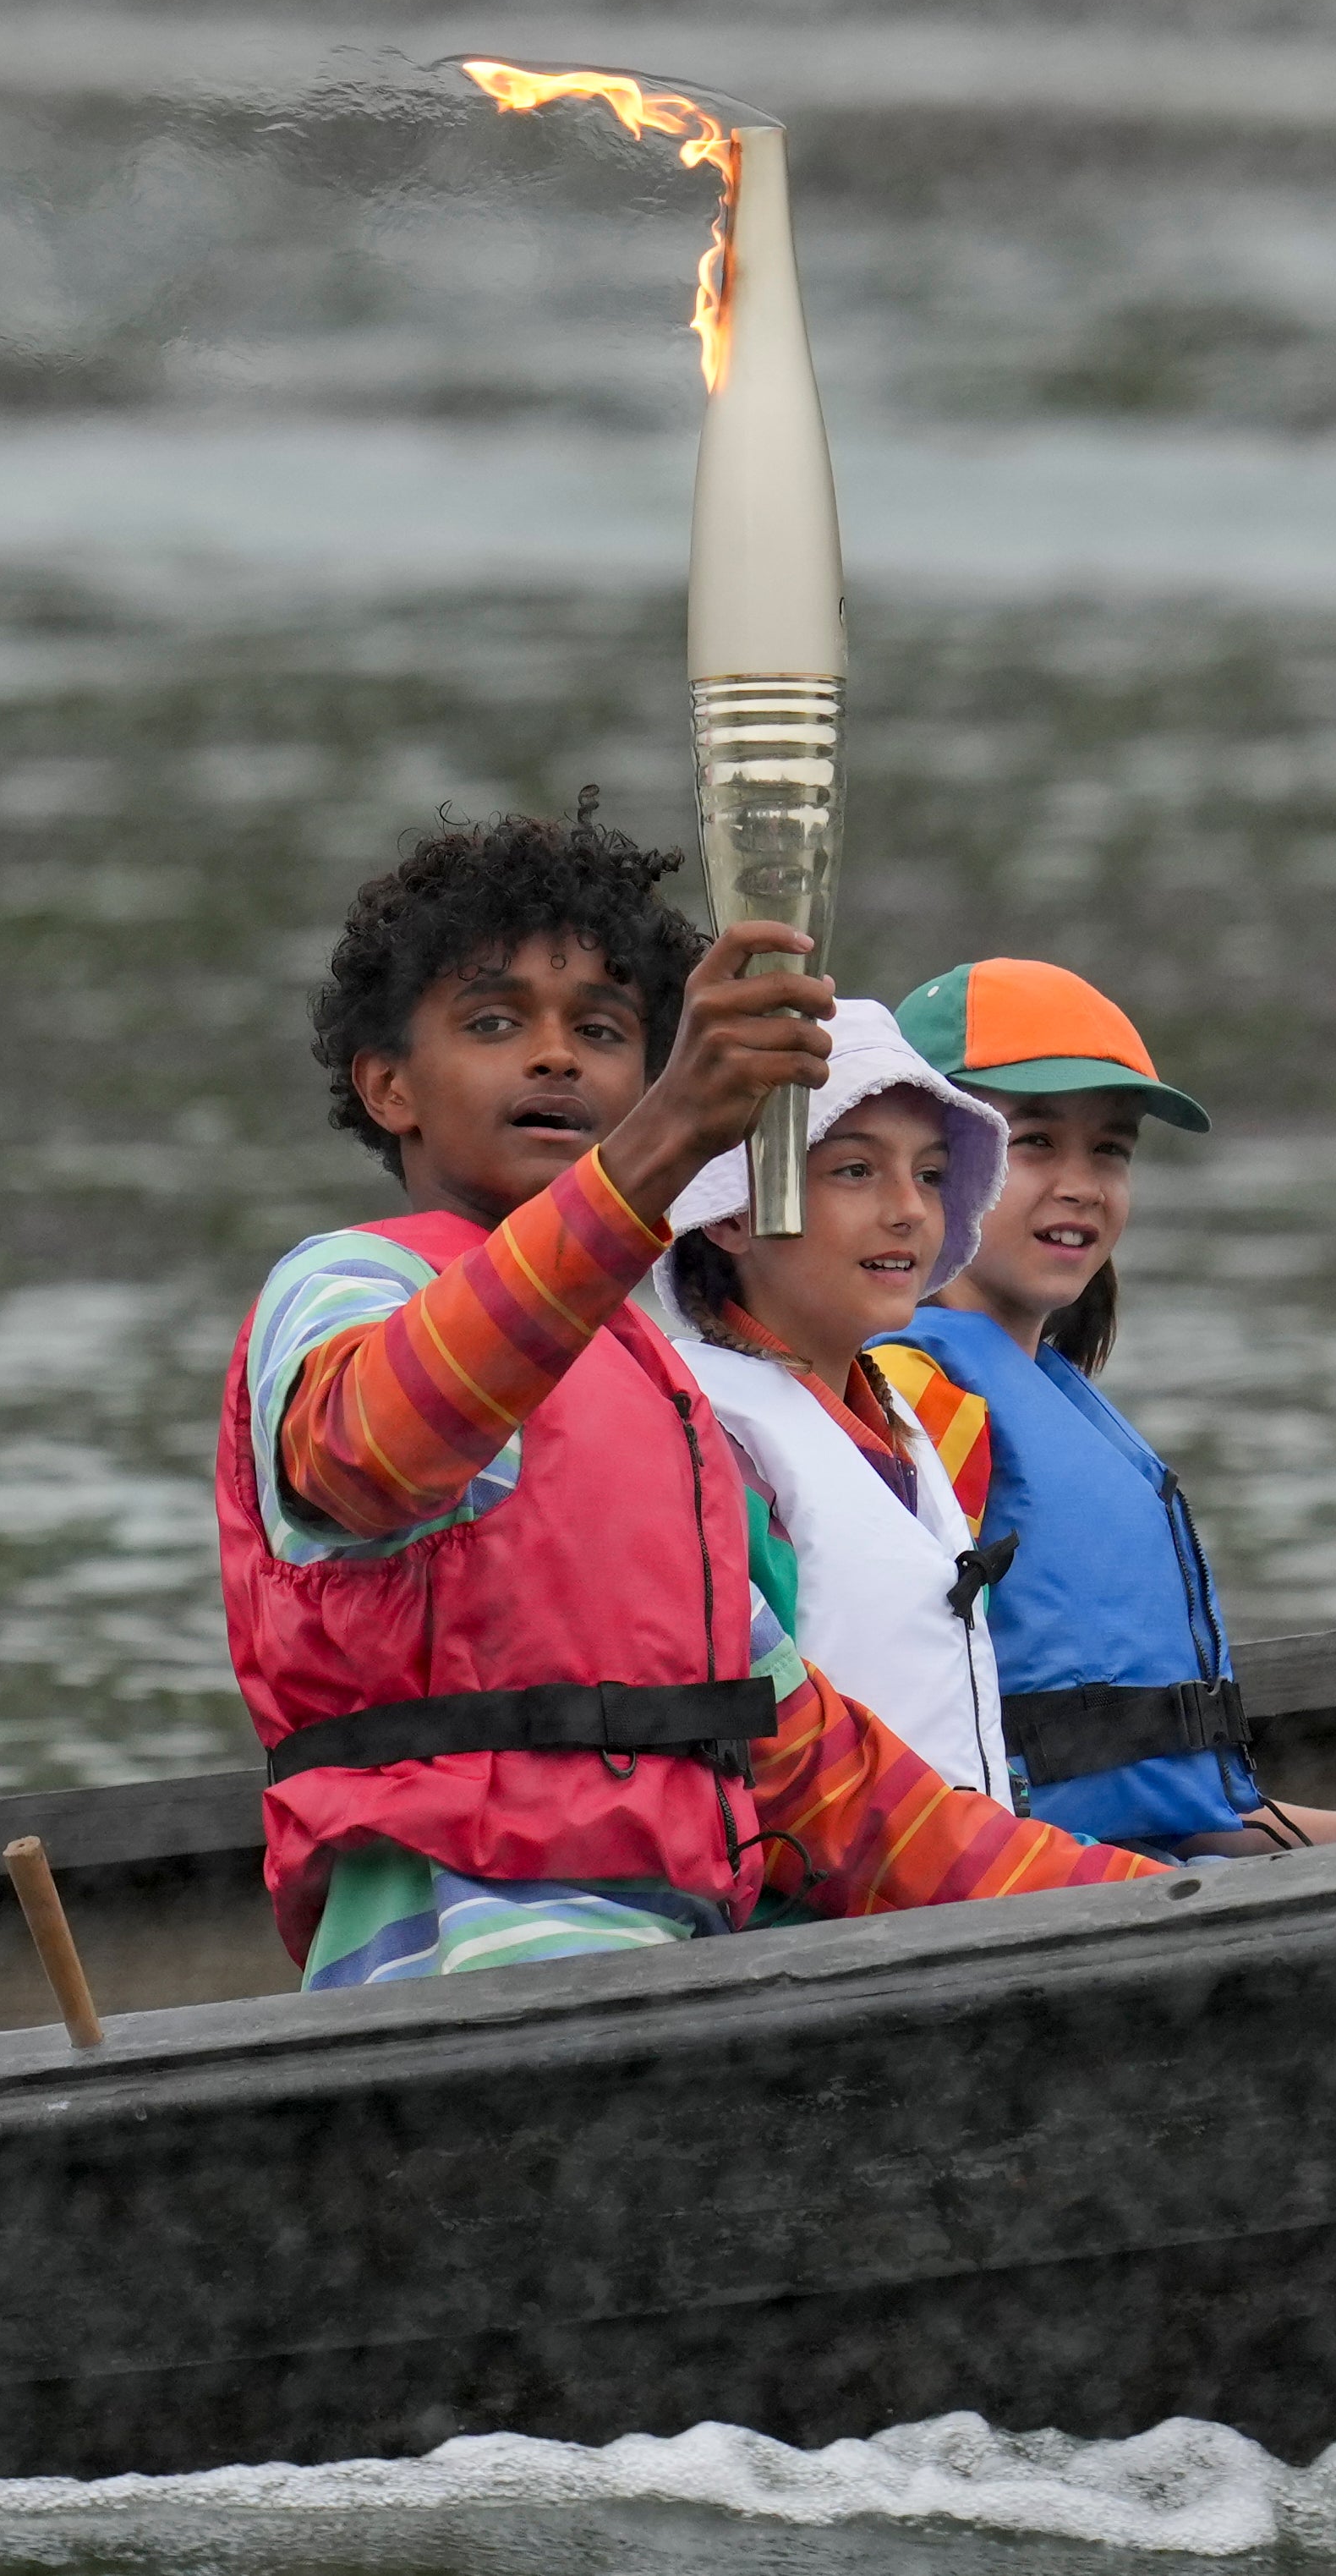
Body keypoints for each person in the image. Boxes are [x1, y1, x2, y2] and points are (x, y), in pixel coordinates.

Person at [221, 808, 1178, 1991]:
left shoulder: (659, 1395)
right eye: (492, 1021)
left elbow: (820, 1773)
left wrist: (1151, 1900)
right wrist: (671, 1130)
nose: (557, 1056)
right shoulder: (347, 1283)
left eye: (606, 1030)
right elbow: (365, 1453)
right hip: (457, 1990)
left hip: (670, 1978)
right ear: (387, 1086)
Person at [882, 958, 1336, 1857]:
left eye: (1110, 1149)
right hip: (1007, 1892)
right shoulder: (915, 1397)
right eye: (1034, 1143)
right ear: (920, 1165)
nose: (1082, 1182)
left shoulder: (1049, 1393)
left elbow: (1160, 1801)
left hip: (1118, 1869)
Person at [650, 1001, 1020, 1805]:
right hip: (824, 1912)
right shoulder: (706, 1441)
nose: (910, 1209)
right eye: (855, 1170)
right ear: (734, 1213)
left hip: (957, 1886)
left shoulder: (910, 1424)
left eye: (928, 1174)